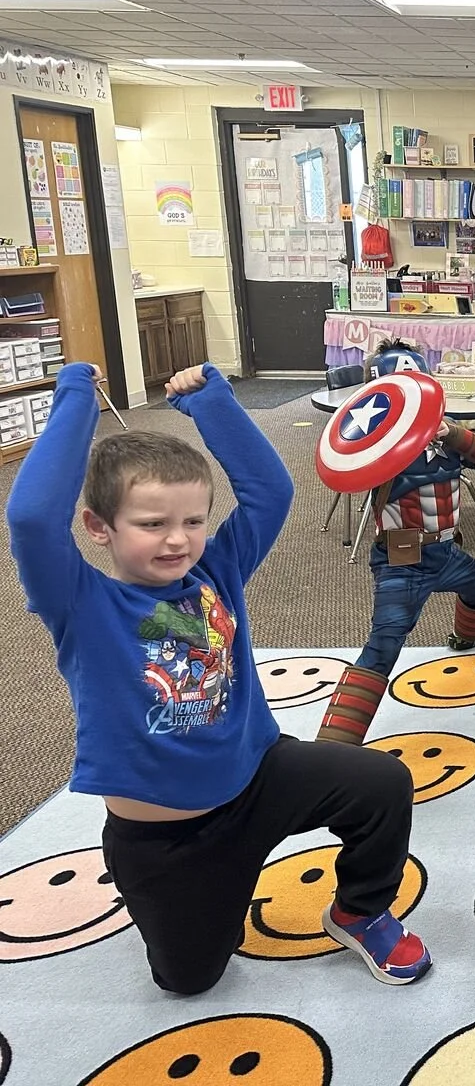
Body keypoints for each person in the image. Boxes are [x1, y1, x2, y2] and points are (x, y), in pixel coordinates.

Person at [6, 362, 430, 994]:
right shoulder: (79, 601)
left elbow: (269, 491)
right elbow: (35, 519)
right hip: (165, 838)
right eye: (151, 524)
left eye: (193, 521)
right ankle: (205, 895)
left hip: (259, 780)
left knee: (382, 783)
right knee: (190, 980)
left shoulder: (218, 569)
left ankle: (359, 910)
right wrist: (75, 399)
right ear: (99, 528)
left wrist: (213, 404)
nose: (178, 541)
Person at [316, 339, 475, 744]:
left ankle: (468, 636)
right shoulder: (376, 451)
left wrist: (452, 433)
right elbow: (348, 469)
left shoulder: (445, 433)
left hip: (444, 550)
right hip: (402, 557)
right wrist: (382, 435)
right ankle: (332, 746)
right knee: (384, 645)